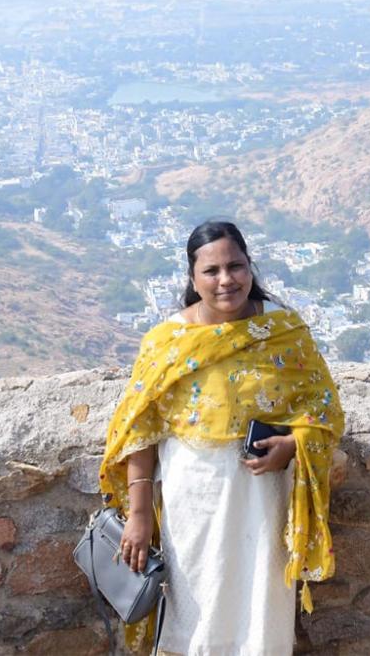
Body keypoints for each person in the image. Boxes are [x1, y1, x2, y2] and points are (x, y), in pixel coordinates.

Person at [99, 220, 345, 655]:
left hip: (263, 504)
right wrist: (139, 515)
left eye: (236, 266)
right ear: (193, 279)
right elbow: (139, 430)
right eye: (211, 271)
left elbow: (324, 410)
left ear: (250, 267)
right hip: (192, 504)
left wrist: (293, 445)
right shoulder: (169, 343)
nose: (226, 280)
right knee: (195, 616)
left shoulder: (283, 333)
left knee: (259, 615)